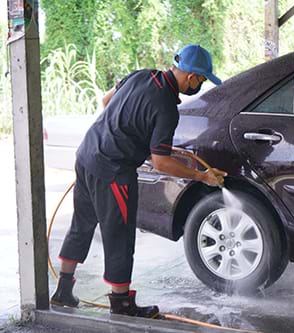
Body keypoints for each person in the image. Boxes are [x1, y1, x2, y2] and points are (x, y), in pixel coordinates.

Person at [50, 44, 227, 318]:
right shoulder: (167, 107)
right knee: (119, 236)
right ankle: (122, 304)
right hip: (113, 172)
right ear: (191, 77)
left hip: (87, 155)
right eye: (202, 79)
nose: (200, 85)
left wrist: (130, 134)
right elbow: (161, 163)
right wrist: (201, 176)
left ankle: (63, 290)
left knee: (82, 223)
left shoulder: (142, 75)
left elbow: (107, 101)